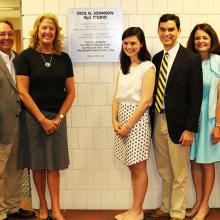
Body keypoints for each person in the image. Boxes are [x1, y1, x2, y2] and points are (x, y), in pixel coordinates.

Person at [14, 13, 75, 220]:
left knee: (54, 165)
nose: (48, 31)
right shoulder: (25, 57)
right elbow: (23, 92)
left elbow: (71, 92)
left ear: (56, 32)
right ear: (37, 31)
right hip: (33, 119)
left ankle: (56, 209)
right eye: (44, 28)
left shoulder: (64, 58)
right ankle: (42, 206)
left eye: (51, 28)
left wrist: (58, 118)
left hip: (57, 119)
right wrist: (41, 119)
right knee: (38, 165)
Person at [148, 14, 203, 220]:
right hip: (158, 120)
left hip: (180, 126)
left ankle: (177, 214)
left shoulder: (191, 58)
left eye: (171, 29)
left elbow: (195, 97)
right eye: (163, 29)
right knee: (164, 170)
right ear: (158, 31)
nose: (167, 33)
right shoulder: (157, 58)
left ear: (179, 30)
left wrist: (190, 128)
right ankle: (165, 207)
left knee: (180, 173)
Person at [112, 27, 155, 220]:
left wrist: (128, 124)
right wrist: (114, 120)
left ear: (141, 44)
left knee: (139, 166)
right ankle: (134, 208)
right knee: (132, 166)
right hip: (122, 119)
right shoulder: (123, 67)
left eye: (132, 43)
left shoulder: (148, 67)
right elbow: (116, 97)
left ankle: (137, 211)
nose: (128, 46)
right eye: (125, 43)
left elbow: (146, 100)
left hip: (137, 121)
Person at [0, 20, 35, 220]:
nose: (6, 37)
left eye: (9, 34)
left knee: (15, 169)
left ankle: (13, 207)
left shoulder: (19, 59)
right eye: (1, 34)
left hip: (20, 125)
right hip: (2, 125)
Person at [186, 23, 220, 220]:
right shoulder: (189, 61)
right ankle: (198, 201)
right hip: (192, 119)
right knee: (194, 161)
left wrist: (218, 125)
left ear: (211, 40)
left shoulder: (218, 61)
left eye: (205, 38)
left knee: (207, 163)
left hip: (210, 119)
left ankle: (206, 204)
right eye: (198, 38)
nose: (201, 41)